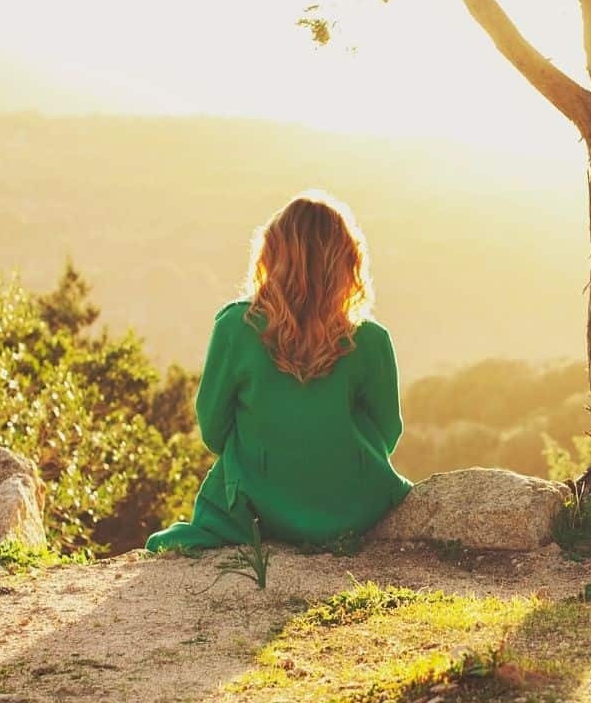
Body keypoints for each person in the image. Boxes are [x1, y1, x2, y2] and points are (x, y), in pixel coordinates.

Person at [145, 190, 414, 552]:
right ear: (348, 262)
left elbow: (212, 429)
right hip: (351, 509)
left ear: (270, 255)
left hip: (256, 510)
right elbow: (388, 432)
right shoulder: (371, 340)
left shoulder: (235, 327)